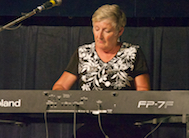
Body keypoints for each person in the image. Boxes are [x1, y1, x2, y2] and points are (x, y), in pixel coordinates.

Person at [52, 4, 151, 138]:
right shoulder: (83, 53)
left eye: (106, 31)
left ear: (119, 31)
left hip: (124, 123)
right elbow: (61, 85)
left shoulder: (132, 53)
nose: (99, 36)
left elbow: (143, 91)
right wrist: (61, 98)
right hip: (91, 123)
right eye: (96, 29)